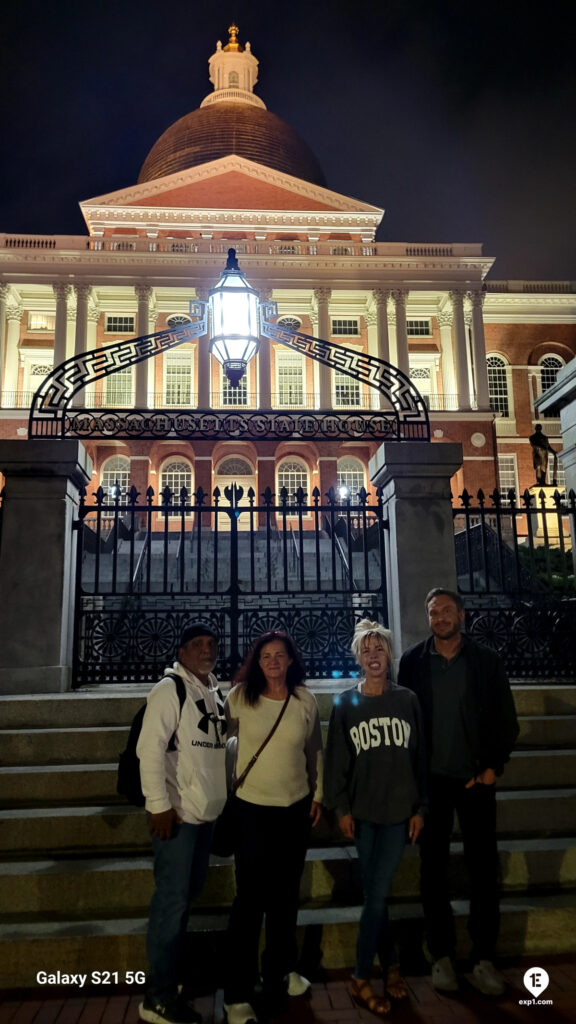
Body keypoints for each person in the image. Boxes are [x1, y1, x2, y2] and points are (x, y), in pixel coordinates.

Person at [398, 588, 519, 997]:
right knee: (433, 870)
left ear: (462, 616)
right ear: (428, 617)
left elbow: (506, 719)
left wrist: (492, 767)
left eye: (448, 611)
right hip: (432, 784)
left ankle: (484, 956)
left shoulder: (485, 661)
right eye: (435, 612)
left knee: (482, 869)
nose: (441, 618)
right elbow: (405, 722)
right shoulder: (413, 662)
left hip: (474, 781)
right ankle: (442, 956)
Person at [324, 619, 426, 1018]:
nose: (373, 656)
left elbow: (420, 758)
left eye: (379, 648)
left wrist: (421, 808)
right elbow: (336, 761)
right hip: (363, 814)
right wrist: (341, 809)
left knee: (377, 892)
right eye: (366, 650)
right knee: (376, 895)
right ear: (358, 658)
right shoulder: (346, 704)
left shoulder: (407, 700)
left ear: (389, 653)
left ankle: (361, 974)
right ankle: (392, 967)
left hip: (399, 813)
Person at [222, 630, 323, 1024]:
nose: (274, 661)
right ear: (257, 661)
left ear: (291, 659)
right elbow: (221, 742)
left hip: (294, 809)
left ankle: (278, 970)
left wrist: (318, 795)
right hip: (252, 810)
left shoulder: (305, 701)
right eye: (266, 655)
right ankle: (237, 991)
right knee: (249, 901)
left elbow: (315, 750)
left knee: (285, 897)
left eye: (280, 655)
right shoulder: (239, 698)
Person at [137, 623, 228, 1024]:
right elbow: (149, 749)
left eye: (211, 644)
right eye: (197, 644)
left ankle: (169, 978)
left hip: (205, 814)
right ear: (182, 651)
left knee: (184, 897)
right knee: (171, 903)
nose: (206, 650)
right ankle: (157, 996)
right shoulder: (169, 690)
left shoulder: (215, 692)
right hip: (176, 816)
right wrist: (158, 805)